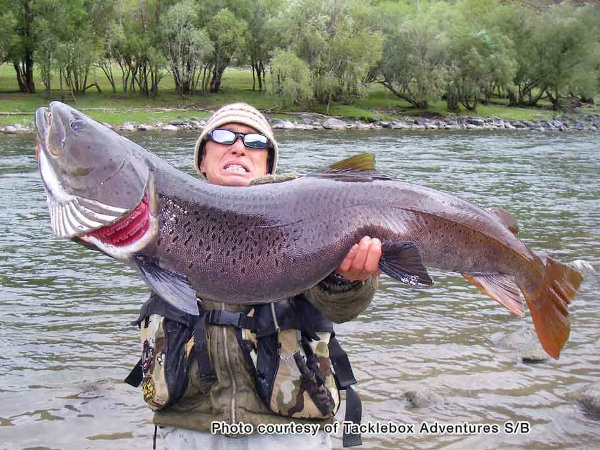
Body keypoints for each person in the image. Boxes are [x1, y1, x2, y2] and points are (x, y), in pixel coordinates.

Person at [133, 103, 382, 450]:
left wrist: (347, 279)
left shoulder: (306, 212)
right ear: (202, 161)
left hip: (288, 431)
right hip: (186, 425)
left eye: (254, 142)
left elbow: (342, 308)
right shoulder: (160, 217)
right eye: (222, 136)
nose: (238, 146)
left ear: (267, 164)